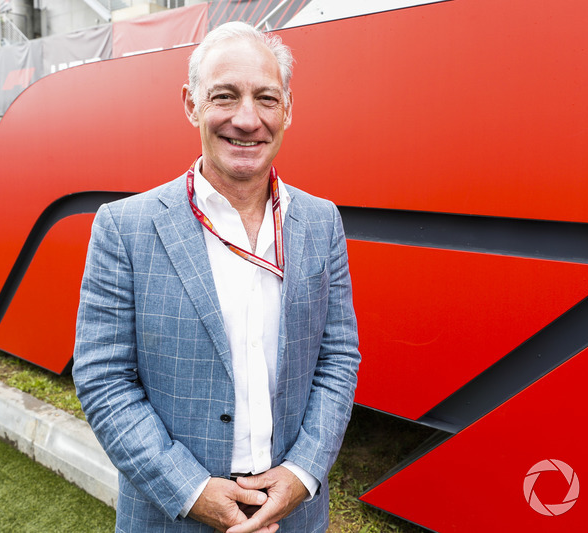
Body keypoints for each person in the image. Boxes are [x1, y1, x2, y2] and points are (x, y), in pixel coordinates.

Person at [73, 21, 360, 533]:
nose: (247, 119)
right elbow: (104, 379)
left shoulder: (321, 222)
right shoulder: (124, 229)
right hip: (172, 516)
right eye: (224, 96)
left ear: (288, 109)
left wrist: (303, 472)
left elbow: (337, 359)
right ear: (191, 104)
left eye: (266, 99)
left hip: (295, 515)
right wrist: (189, 489)